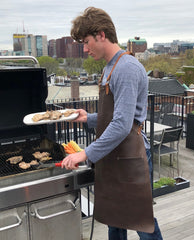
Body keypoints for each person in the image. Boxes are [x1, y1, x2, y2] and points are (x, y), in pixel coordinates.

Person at [62, 6, 163, 240]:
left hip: (130, 156)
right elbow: (116, 115)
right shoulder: (110, 66)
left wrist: (84, 153)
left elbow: (122, 124)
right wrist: (89, 118)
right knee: (114, 219)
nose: (85, 49)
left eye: (86, 42)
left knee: (141, 221)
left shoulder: (126, 67)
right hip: (113, 155)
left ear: (101, 34)